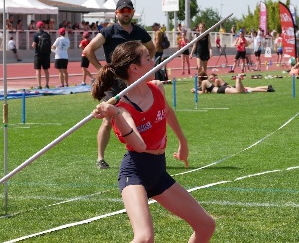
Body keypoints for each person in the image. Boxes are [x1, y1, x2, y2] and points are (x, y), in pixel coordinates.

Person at [91, 41, 215, 242]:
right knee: (144, 237)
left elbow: (166, 112)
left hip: (158, 172)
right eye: (148, 59)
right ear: (134, 68)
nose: (154, 62)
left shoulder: (156, 88)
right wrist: (115, 114)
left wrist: (183, 142)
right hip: (135, 173)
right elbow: (139, 146)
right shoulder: (122, 108)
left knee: (206, 225)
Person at [83, 0, 156, 169]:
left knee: (140, 117)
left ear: (132, 12)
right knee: (108, 120)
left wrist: (146, 63)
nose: (125, 13)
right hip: (114, 84)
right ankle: (100, 158)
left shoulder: (139, 32)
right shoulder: (109, 32)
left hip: (135, 82)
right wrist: (101, 69)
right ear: (116, 13)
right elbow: (88, 50)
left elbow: (152, 48)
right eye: (122, 11)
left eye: (128, 10)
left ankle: (140, 153)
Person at [191, 72, 275, 94]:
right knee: (247, 90)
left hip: (222, 90)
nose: (211, 79)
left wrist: (195, 90)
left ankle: (238, 79)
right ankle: (267, 88)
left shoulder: (206, 82)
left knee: (241, 91)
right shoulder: (210, 82)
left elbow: (203, 92)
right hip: (224, 88)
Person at [32, 21, 50, 89]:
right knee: (46, 70)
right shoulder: (47, 35)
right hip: (46, 54)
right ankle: (47, 84)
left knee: (38, 70)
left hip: (38, 54)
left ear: (37, 27)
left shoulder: (36, 35)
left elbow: (34, 45)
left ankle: (39, 85)